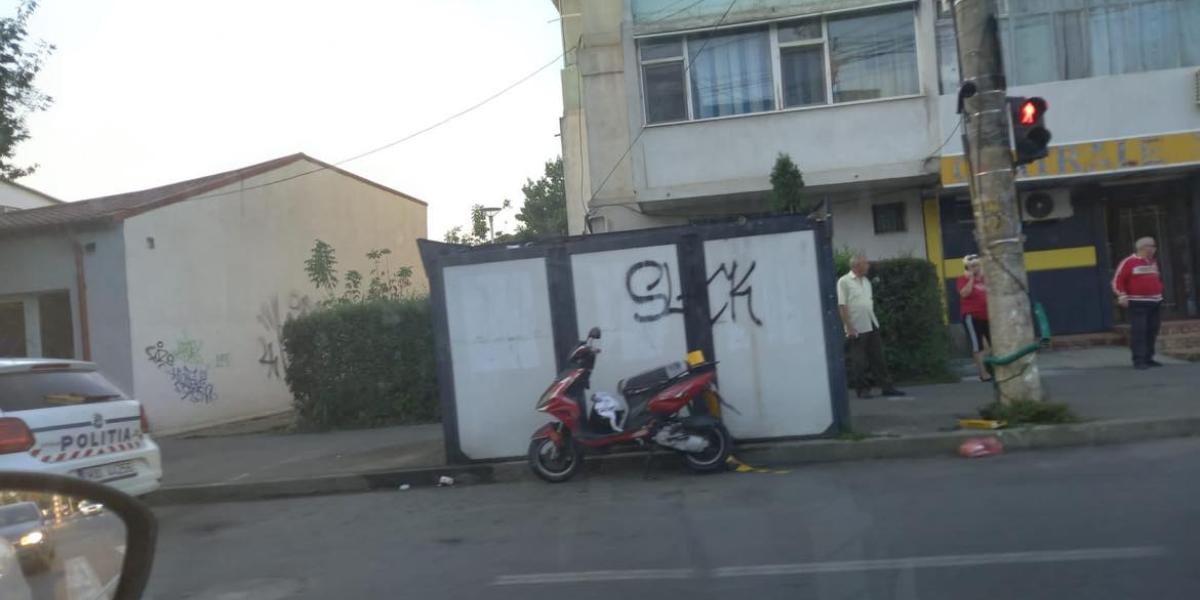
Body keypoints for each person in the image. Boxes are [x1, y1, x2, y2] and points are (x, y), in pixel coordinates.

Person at [837, 254, 905, 398]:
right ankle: (862, 390)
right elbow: (842, 306)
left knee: (878, 358)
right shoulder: (844, 281)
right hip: (856, 325)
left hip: (871, 322)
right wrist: (849, 327)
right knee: (859, 361)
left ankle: (887, 387)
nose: (868, 266)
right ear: (856, 266)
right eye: (865, 264)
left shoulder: (867, 282)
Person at [1112, 237, 1164, 370]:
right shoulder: (1129, 262)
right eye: (1151, 246)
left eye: (1154, 246)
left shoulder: (1152, 262)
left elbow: (1156, 278)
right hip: (1138, 302)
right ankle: (1139, 360)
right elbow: (1117, 280)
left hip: (1155, 301)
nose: (1154, 249)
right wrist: (1122, 296)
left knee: (1152, 330)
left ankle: (1148, 358)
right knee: (1139, 331)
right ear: (1142, 247)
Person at [956, 254, 992, 381]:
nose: (975, 268)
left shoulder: (985, 279)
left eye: (977, 265)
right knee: (978, 346)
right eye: (972, 266)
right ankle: (983, 374)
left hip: (987, 316)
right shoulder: (962, 279)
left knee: (994, 344)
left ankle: (993, 368)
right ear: (967, 267)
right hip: (972, 316)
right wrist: (971, 279)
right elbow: (964, 294)